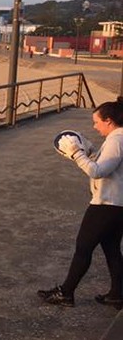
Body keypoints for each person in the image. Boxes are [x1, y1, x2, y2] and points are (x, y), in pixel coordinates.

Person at [39, 97, 123, 309]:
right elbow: (109, 167)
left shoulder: (116, 139)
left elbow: (98, 171)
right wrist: (91, 152)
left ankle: (66, 293)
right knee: (112, 249)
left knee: (83, 248)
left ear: (109, 121)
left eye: (97, 122)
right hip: (117, 204)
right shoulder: (117, 139)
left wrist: (77, 153)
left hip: (106, 204)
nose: (95, 127)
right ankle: (117, 294)